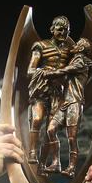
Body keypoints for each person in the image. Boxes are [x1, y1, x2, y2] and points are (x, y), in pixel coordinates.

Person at [27, 15, 74, 168]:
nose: (63, 33)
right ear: (52, 29)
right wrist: (45, 71)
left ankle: (46, 163)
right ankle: (32, 151)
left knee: (51, 129)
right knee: (37, 118)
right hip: (42, 88)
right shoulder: (40, 45)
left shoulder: (70, 48)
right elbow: (30, 70)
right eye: (60, 29)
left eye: (66, 30)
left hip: (58, 91)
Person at [45, 37, 92, 178]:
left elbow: (66, 70)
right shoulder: (75, 59)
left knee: (72, 138)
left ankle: (71, 168)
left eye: (78, 44)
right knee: (50, 129)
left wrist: (51, 73)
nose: (75, 45)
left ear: (82, 48)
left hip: (75, 103)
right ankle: (56, 163)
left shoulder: (81, 61)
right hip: (65, 103)